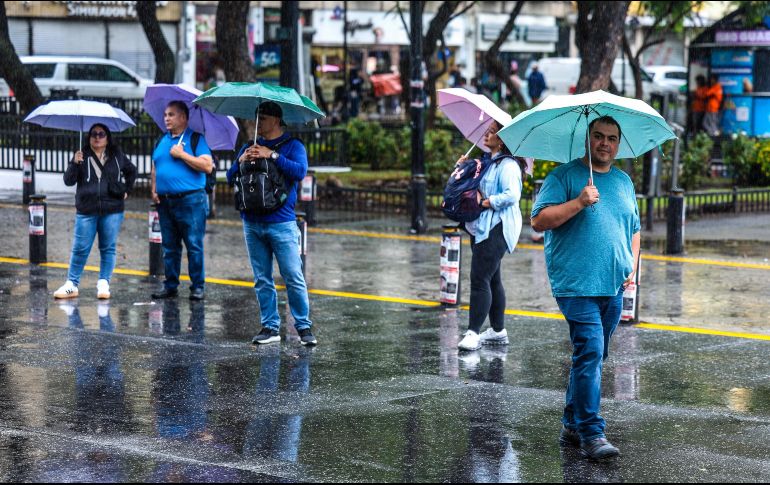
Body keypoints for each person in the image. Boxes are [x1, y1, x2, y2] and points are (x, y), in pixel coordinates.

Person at [530, 116, 641, 461]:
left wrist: (632, 265)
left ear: (618, 144)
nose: (604, 143)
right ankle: (593, 433)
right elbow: (538, 220)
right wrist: (578, 202)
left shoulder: (623, 182)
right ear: (587, 139)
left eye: (611, 138)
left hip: (613, 285)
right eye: (598, 137)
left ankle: (570, 424)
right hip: (575, 284)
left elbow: (634, 229)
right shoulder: (563, 176)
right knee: (591, 350)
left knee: (591, 356)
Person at [226, 102, 317, 347]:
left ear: (276, 120)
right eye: (256, 117)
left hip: (282, 222)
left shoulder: (292, 146)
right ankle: (269, 326)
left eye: (263, 118)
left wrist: (272, 155)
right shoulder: (249, 145)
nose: (258, 122)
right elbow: (230, 177)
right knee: (262, 278)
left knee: (292, 276)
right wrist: (241, 160)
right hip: (252, 222)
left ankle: (304, 327)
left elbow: (300, 172)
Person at [456, 120, 527, 351]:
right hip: (482, 225)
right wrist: (462, 168)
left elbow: (512, 195)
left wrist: (487, 202)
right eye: (488, 130)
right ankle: (497, 331)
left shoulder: (508, 165)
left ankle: (473, 333)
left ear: (503, 138)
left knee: (479, 278)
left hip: (498, 226)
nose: (487, 134)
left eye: (493, 132)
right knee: (492, 278)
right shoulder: (488, 162)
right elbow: (470, 187)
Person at [54, 123, 137, 299]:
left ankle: (103, 283)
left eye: (101, 134)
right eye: (93, 134)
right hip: (86, 210)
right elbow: (68, 181)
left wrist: (127, 189)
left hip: (112, 209)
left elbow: (131, 170)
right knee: (80, 248)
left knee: (108, 248)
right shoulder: (81, 155)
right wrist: (74, 163)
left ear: (107, 138)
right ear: (89, 137)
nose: (97, 137)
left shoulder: (117, 155)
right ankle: (72, 285)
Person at [150, 100, 214, 301]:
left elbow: (207, 166)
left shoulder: (196, 139)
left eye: (171, 114)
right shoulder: (162, 140)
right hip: (165, 201)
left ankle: (197, 286)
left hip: (190, 200)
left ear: (184, 117)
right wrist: (154, 189)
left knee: (193, 244)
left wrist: (183, 154)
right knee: (169, 246)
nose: (166, 118)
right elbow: (155, 166)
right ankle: (170, 285)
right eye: (166, 115)